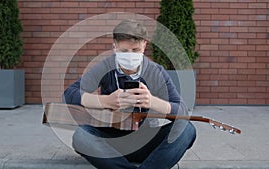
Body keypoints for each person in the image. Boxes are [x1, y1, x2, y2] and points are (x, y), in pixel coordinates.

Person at [63, 19, 196, 169]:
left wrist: (152, 102)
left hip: (148, 141)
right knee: (81, 136)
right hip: (111, 142)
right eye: (124, 51)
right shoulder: (105, 67)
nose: (130, 55)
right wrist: (105, 101)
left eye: (135, 50)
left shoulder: (156, 71)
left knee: (186, 129)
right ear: (114, 47)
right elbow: (69, 94)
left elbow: (182, 110)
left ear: (144, 45)